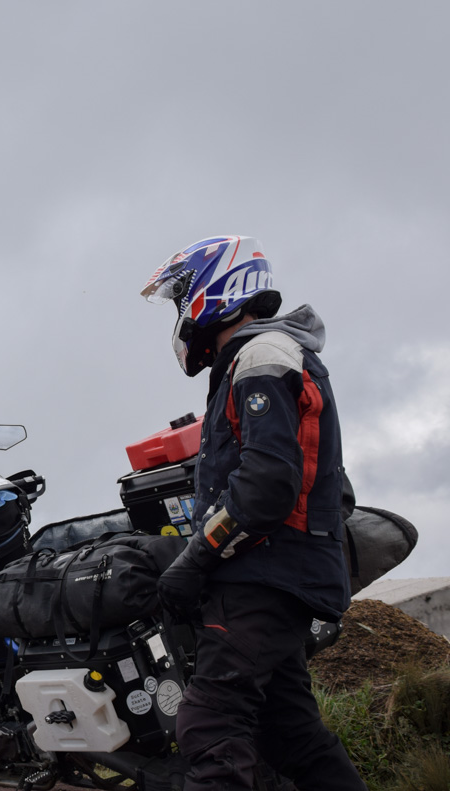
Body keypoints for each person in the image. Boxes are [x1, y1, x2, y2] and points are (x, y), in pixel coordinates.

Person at [140, 236, 366, 790]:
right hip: (280, 573)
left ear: (215, 289)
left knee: (210, 724)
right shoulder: (261, 357)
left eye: (179, 299)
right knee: (291, 733)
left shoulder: (261, 358)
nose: (178, 315)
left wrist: (196, 559)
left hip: (266, 576)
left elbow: (267, 485)